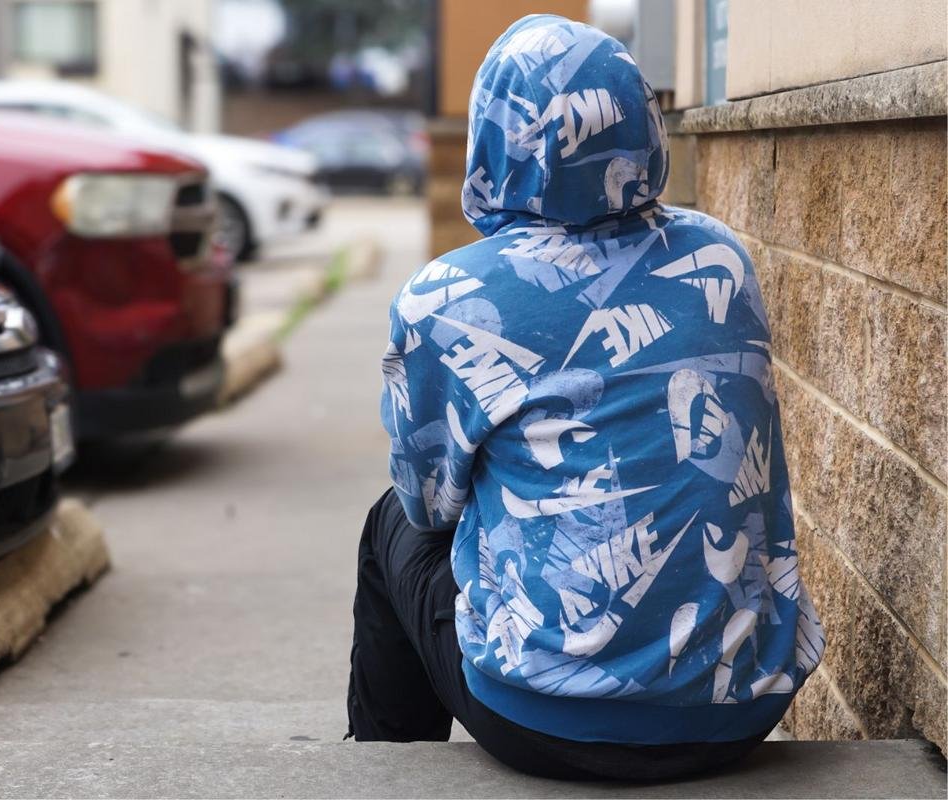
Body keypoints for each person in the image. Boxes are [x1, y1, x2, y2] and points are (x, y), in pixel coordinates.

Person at [346, 15, 825, 782]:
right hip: (740, 709)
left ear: (493, 138)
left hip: (544, 720)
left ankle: (382, 777)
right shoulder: (720, 255)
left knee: (389, 527)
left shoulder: (447, 298)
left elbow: (428, 505)